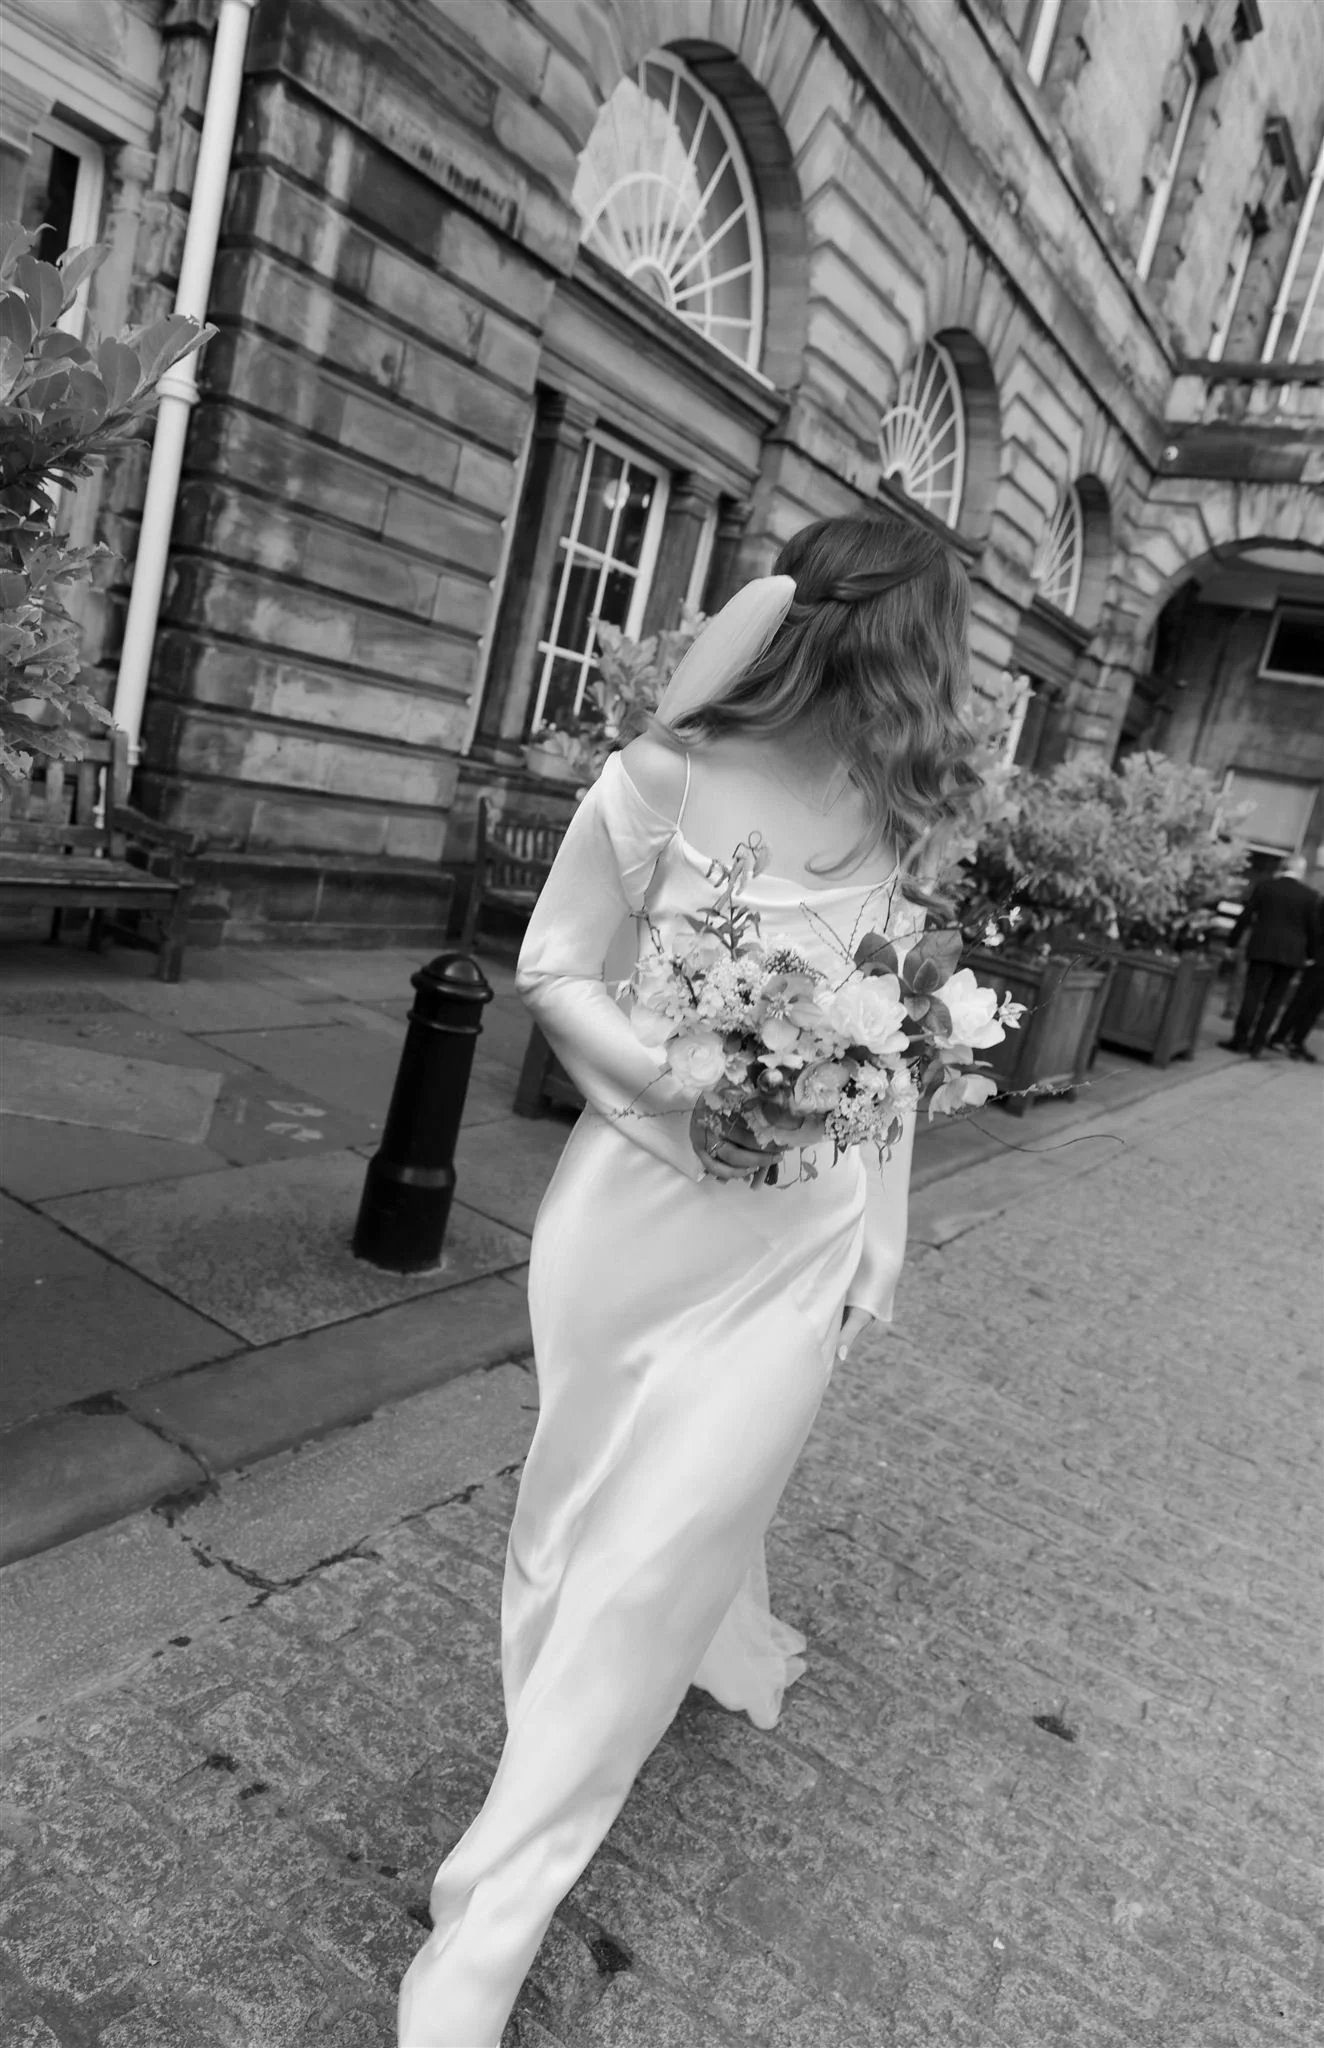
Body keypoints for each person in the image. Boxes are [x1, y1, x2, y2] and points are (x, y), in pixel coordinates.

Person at [395, 513, 982, 2047]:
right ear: (868, 630)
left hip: (800, 1239)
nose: (939, 674)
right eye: (935, 638)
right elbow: (553, 968)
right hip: (636, 1220)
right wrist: (676, 1087)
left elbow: (896, 1047)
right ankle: (573, 1728)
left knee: (660, 1550)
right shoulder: (659, 777)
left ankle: (487, 1928)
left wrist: (883, 1244)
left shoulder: (896, 817)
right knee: (575, 1519)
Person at [1218, 853, 1321, 1059]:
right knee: (1274, 999)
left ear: (1283, 867)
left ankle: (1240, 1039)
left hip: (1262, 947)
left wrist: (1232, 942)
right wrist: (1311, 955)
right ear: (1300, 871)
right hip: (1291, 954)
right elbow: (1313, 930)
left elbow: (1246, 916)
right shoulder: (1310, 896)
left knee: (1253, 993)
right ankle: (1257, 1044)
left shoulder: (1266, 887)